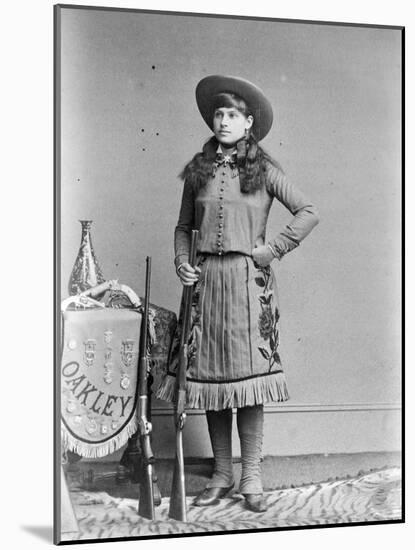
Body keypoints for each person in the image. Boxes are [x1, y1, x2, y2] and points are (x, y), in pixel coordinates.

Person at [156, 75, 319, 513]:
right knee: (209, 383)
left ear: (249, 123)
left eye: (232, 115)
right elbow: (182, 227)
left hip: (249, 287)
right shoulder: (198, 170)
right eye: (218, 114)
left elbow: (307, 211)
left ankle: (251, 476)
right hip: (205, 285)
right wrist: (181, 262)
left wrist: (272, 250)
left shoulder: (264, 170)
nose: (223, 121)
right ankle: (223, 474)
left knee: (248, 385)